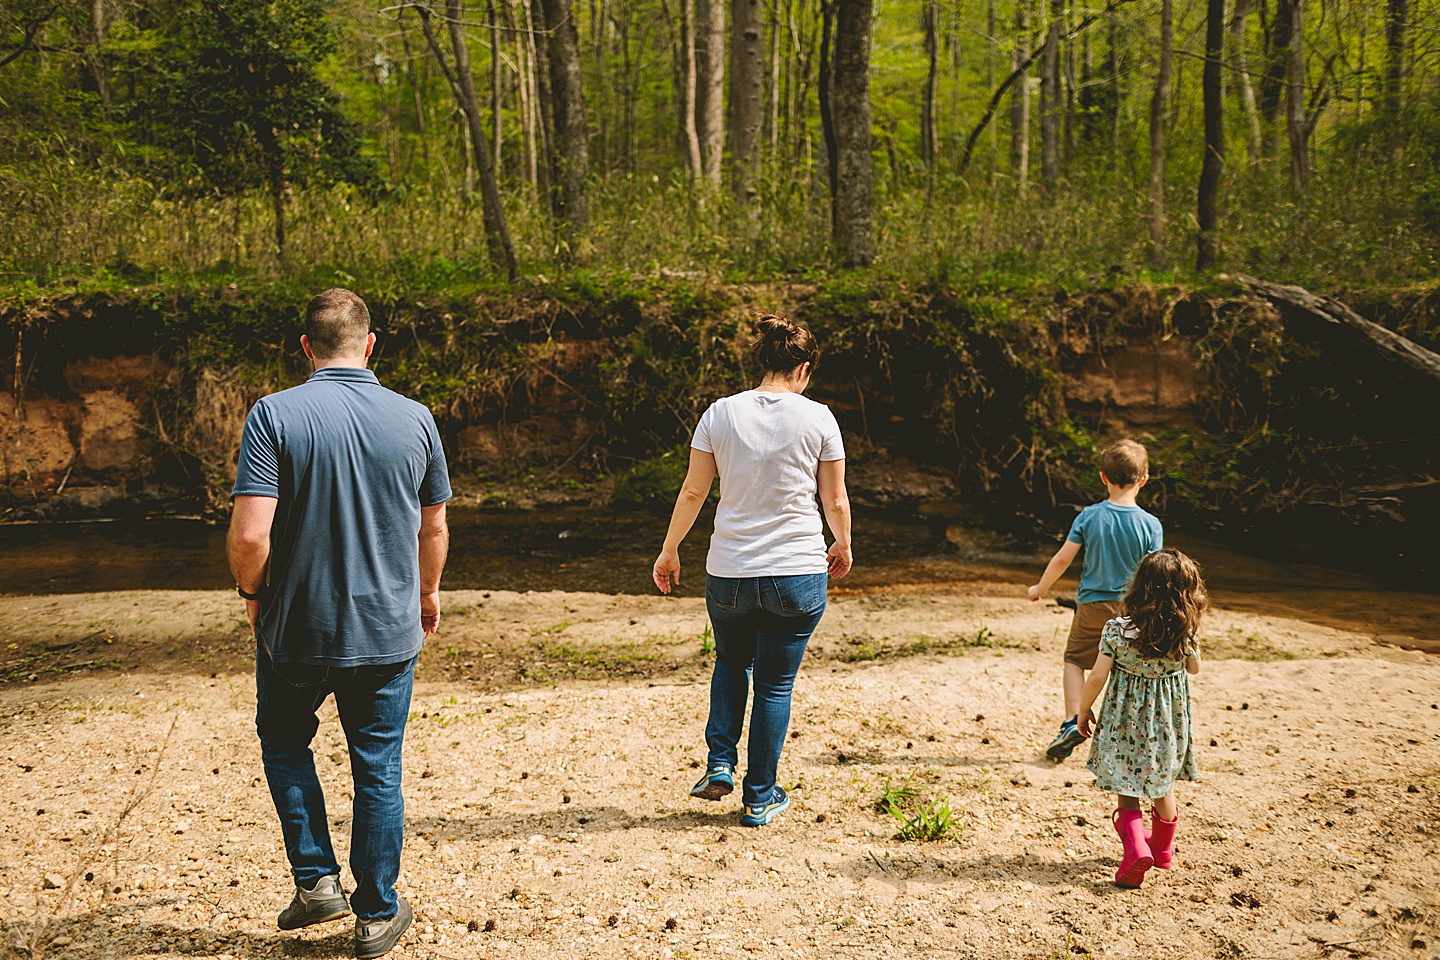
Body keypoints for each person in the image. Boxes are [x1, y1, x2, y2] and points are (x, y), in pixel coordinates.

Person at [228, 288, 451, 959]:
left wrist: (252, 592)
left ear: (305, 347)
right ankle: (377, 914)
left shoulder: (273, 415)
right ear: (370, 344)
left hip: (296, 629)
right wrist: (429, 592)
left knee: (286, 741)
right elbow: (433, 524)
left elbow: (249, 535)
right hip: (386, 630)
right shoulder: (414, 419)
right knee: (378, 768)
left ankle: (317, 880)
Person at [652, 315, 852, 828]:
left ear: (763, 361)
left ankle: (719, 762)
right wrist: (843, 542)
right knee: (774, 687)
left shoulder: (719, 414)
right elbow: (833, 498)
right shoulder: (820, 418)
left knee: (730, 662)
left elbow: (695, 491)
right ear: (803, 368)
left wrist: (670, 549)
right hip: (797, 571)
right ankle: (759, 797)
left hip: (730, 571)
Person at [1028, 439, 1163, 761]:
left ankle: (1073, 721)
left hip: (1092, 606)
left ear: (1103, 477)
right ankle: (1129, 734)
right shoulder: (1151, 524)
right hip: (1133, 609)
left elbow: (1063, 559)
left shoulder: (1090, 516)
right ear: (1143, 480)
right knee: (1126, 667)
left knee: (1075, 661)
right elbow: (1155, 572)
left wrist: (1041, 587)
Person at [1077, 547, 1204, 888]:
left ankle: (1135, 849)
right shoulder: (1184, 632)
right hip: (1167, 723)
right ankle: (1162, 852)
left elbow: (1096, 677)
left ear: (1140, 587)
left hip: (1124, 722)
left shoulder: (1117, 630)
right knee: (1162, 784)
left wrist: (1083, 708)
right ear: (1186, 594)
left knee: (1126, 783)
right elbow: (1194, 669)